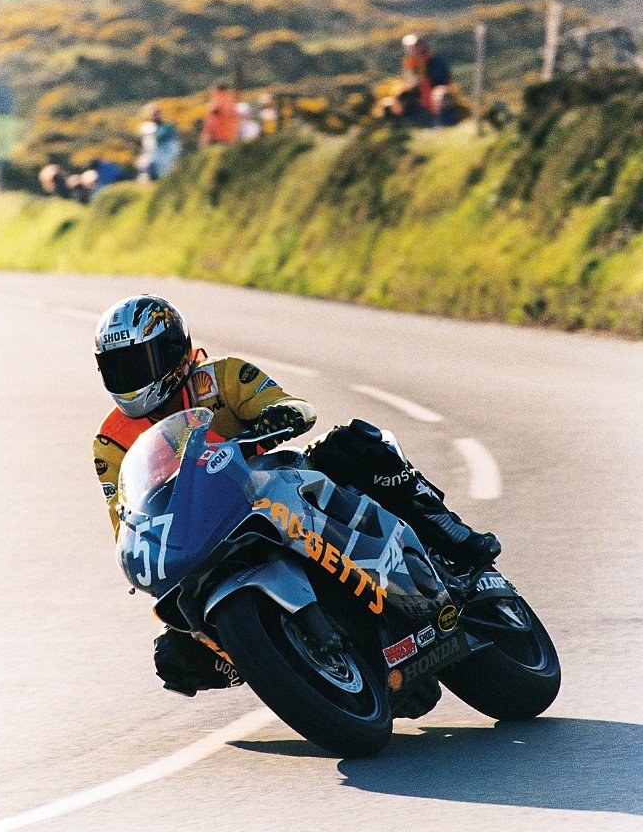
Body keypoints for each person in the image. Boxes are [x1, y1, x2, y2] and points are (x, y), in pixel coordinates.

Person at [92, 295, 500, 698]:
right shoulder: (110, 442)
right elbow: (127, 515)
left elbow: (291, 406)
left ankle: (449, 533)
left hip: (269, 485)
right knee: (174, 656)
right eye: (116, 368)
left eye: (136, 363)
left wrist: (259, 433)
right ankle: (282, 658)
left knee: (351, 443)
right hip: (202, 531)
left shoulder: (224, 376)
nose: (127, 378)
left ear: (172, 352)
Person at [400, 35, 458, 127]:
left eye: (417, 46)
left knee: (441, 94)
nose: (416, 49)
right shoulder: (411, 65)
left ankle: (441, 123)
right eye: (411, 48)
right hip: (420, 103)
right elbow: (410, 85)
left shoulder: (436, 62)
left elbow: (444, 83)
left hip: (437, 100)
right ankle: (402, 125)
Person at [136, 102, 182, 181]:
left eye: (157, 113)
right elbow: (145, 145)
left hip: (165, 158)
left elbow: (174, 145)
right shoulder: (144, 127)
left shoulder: (167, 127)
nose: (155, 115)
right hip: (150, 159)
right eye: (152, 113)